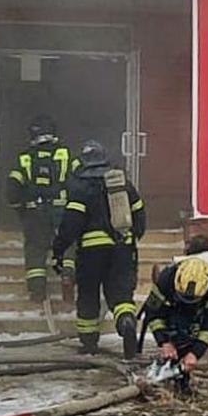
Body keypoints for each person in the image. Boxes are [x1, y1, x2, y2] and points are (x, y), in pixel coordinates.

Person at [51, 140, 146, 357]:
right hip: (122, 249)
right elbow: (139, 215)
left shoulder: (80, 188)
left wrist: (59, 250)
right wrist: (132, 238)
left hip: (91, 254)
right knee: (121, 294)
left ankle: (89, 343)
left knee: (88, 295)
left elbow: (70, 225)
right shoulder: (122, 184)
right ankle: (126, 322)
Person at [6, 115, 78, 303]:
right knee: (68, 243)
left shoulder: (25, 158)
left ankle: (37, 290)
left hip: (34, 211)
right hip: (62, 209)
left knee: (35, 248)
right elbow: (79, 179)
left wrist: (19, 208)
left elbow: (13, 187)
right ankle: (68, 274)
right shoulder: (66, 154)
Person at [141, 235, 208, 393]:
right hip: (171, 310)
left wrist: (195, 353)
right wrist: (164, 342)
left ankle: (182, 378)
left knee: (187, 350)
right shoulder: (166, 278)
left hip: (195, 318)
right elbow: (152, 313)